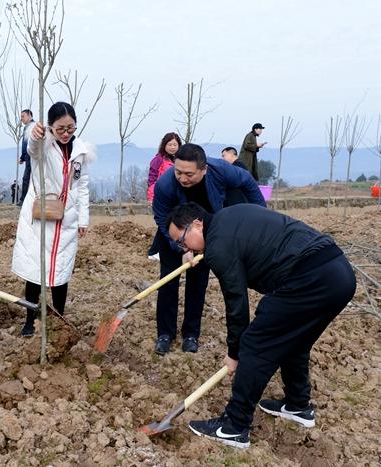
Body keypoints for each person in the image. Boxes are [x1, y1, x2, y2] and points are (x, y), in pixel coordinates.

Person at [166, 202, 356, 449]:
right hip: (338, 272)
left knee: (255, 343)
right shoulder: (227, 218)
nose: (183, 247)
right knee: (294, 339)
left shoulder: (218, 246)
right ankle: (298, 405)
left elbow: (236, 303)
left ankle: (234, 427)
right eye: (179, 245)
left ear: (198, 224)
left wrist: (235, 352)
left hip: (309, 277)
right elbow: (239, 243)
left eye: (182, 241)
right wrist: (194, 250)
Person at [151, 143, 265, 355]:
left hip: (205, 234)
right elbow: (159, 216)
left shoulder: (221, 170)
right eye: (178, 172)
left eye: (189, 174)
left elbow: (248, 182)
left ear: (204, 169)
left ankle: (191, 334)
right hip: (173, 235)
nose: (182, 178)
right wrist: (180, 246)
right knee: (168, 282)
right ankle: (165, 334)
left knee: (198, 282)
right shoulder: (166, 184)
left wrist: (261, 214)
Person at [12, 102, 95, 336]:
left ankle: (58, 319)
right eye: (60, 129)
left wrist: (82, 220)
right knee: (35, 270)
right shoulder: (44, 144)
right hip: (40, 217)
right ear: (50, 127)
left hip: (66, 218)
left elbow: (82, 186)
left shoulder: (80, 150)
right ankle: (30, 319)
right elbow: (33, 151)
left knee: (61, 272)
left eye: (70, 127)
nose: (66, 133)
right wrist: (35, 136)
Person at [146, 132, 183, 261]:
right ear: (164, 145)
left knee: (170, 224)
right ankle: (154, 251)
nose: (172, 147)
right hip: (161, 197)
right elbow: (152, 180)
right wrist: (151, 197)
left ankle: (159, 250)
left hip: (176, 197)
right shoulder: (159, 160)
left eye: (175, 144)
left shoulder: (180, 160)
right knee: (165, 224)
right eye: (170, 144)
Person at [17, 109, 34, 206]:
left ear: (29, 116)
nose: (22, 119)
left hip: (30, 156)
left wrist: (22, 157)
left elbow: (25, 144)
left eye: (23, 116)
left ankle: (23, 200)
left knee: (26, 178)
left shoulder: (31, 127)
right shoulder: (30, 127)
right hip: (30, 156)